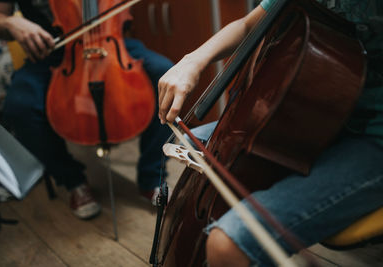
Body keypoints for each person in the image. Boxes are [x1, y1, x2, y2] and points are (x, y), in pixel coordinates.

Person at [158, 0, 383, 266]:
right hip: (317, 117)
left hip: (373, 139)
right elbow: (247, 26)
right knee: (194, 142)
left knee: (228, 244)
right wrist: (192, 61)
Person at [0, 0, 172, 220]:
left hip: (111, 40)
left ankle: (152, 176)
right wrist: (10, 23)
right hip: (52, 52)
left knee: (166, 77)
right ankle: (73, 180)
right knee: (20, 106)